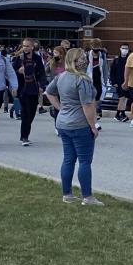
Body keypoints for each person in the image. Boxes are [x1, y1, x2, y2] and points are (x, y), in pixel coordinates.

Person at [46, 48, 102, 205]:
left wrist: (60, 108)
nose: (84, 60)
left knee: (68, 159)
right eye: (81, 58)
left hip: (63, 123)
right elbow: (87, 105)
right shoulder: (82, 80)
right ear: (74, 61)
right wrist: (93, 126)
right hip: (79, 125)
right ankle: (87, 197)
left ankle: (67, 194)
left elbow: (49, 92)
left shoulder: (61, 76)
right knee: (84, 161)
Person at [13, 40, 47, 146]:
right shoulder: (19, 58)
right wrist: (19, 71)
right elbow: (12, 71)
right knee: (25, 112)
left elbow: (42, 72)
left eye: (27, 46)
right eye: (24, 46)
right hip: (23, 89)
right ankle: (24, 137)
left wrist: (42, 85)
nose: (25, 48)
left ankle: (25, 132)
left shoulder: (37, 58)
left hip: (34, 88)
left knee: (32, 112)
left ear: (32, 47)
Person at [111, 44, 130, 122]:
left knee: (125, 98)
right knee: (121, 98)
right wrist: (114, 82)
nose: (124, 50)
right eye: (123, 48)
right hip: (119, 82)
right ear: (120, 49)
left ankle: (119, 114)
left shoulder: (129, 59)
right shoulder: (116, 60)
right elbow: (112, 72)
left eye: (126, 48)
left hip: (127, 82)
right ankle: (122, 113)